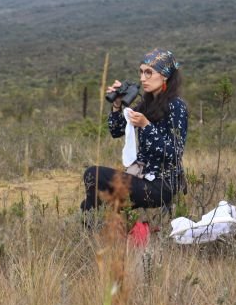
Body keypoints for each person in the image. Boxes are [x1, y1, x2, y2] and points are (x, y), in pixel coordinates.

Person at [81, 48, 188, 212]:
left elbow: (174, 152)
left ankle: (97, 227)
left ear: (165, 75)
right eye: (141, 72)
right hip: (141, 177)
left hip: (162, 185)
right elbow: (116, 131)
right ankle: (103, 229)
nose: (142, 78)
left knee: (94, 174)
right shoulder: (147, 104)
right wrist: (117, 104)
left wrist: (146, 126)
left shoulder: (176, 106)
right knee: (92, 197)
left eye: (148, 73)